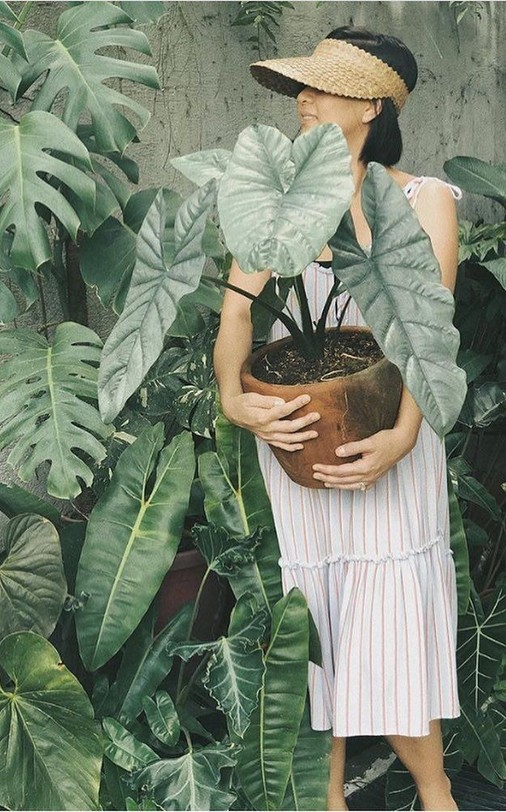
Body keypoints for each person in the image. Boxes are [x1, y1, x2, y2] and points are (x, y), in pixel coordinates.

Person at [213, 26, 462, 812]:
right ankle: (327, 801)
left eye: (323, 88)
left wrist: (403, 436)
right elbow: (237, 320)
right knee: (316, 620)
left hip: (389, 433)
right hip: (298, 434)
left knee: (393, 613)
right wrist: (232, 397)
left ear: (374, 105)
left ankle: (436, 792)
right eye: (302, 89)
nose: (306, 101)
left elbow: (428, 333)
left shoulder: (423, 204)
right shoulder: (282, 200)